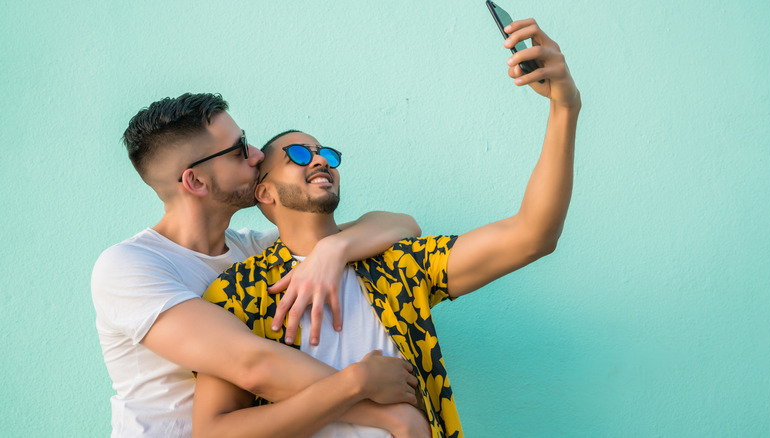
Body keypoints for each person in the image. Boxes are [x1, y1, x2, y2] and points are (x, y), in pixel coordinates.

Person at [195, 18, 581, 438]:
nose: (321, 159)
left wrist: (565, 108)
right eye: (299, 155)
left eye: (325, 152)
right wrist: (353, 385)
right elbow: (216, 432)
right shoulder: (242, 289)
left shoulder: (395, 264)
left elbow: (533, 235)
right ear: (265, 193)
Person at [91, 92, 428, 437]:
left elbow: (400, 225)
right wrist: (379, 404)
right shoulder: (129, 267)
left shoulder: (254, 250)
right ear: (196, 181)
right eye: (240, 150)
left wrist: (334, 250)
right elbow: (254, 365)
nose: (257, 156)